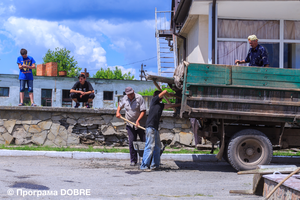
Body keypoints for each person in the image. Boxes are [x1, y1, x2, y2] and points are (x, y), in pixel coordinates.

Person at [140, 90, 181, 171]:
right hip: (150, 127)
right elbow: (165, 91)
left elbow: (169, 106)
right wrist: (168, 94)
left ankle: (155, 165)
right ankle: (144, 166)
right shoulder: (153, 101)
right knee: (149, 146)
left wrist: (180, 104)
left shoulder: (160, 105)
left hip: (155, 128)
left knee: (157, 147)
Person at [116, 87, 146, 166]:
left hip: (140, 123)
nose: (131, 95)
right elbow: (120, 106)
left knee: (144, 141)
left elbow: (143, 111)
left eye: (132, 93)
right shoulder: (125, 98)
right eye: (129, 94)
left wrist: (138, 120)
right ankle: (133, 160)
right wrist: (118, 112)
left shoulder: (139, 98)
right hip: (130, 124)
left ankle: (146, 160)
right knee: (132, 142)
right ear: (127, 94)